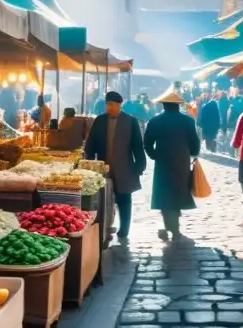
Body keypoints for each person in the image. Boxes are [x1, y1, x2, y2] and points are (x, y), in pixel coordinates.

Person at [84, 91, 147, 241]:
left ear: (119, 105)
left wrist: (140, 165)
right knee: (103, 199)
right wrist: (90, 162)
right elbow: (91, 143)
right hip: (103, 167)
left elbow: (137, 145)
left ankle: (124, 228)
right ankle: (104, 226)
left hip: (124, 167)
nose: (109, 107)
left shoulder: (131, 121)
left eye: (112, 105)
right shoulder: (99, 120)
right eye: (107, 104)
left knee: (124, 198)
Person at [144, 86, 201, 240]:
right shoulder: (188, 121)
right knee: (178, 192)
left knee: (164, 194)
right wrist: (193, 154)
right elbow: (195, 144)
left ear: (164, 105)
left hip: (162, 162)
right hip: (181, 162)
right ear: (178, 105)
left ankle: (169, 224)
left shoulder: (155, 121)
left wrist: (154, 155)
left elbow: (147, 143)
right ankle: (174, 226)